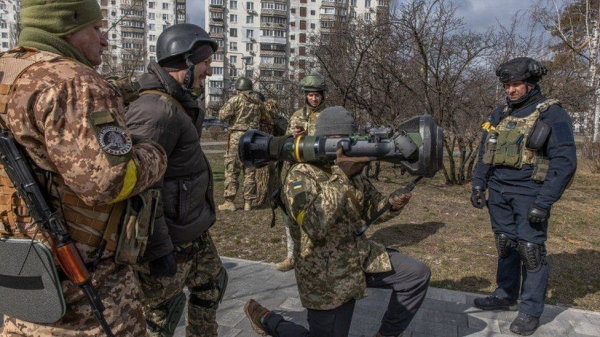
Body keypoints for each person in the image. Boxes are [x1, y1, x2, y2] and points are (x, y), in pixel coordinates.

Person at [0, 0, 168, 335]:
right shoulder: (75, 83)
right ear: (67, 26)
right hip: (85, 291)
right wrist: (153, 153)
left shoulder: (9, 70)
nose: (104, 39)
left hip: (19, 272)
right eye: (95, 28)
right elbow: (108, 182)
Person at [244, 106, 431, 337]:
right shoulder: (300, 174)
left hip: (357, 256)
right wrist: (342, 175)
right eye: (337, 139)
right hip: (324, 275)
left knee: (416, 274)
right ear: (323, 139)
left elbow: (372, 207)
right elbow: (316, 226)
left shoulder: (353, 171)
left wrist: (392, 204)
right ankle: (267, 320)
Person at [125, 23, 227, 336]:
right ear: (184, 63)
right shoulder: (156, 112)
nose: (208, 71)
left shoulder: (177, 104)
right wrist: (158, 249)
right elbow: (141, 187)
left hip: (190, 232)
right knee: (161, 316)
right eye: (205, 63)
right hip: (166, 238)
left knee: (212, 284)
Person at [471, 57, 577, 335]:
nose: (510, 90)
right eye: (507, 85)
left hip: (530, 192)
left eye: (515, 84)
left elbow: (565, 162)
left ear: (530, 85)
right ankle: (505, 294)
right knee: (505, 244)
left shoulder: (551, 114)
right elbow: (486, 151)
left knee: (531, 251)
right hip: (500, 191)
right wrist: (478, 184)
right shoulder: (500, 114)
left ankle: (530, 311)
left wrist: (544, 202)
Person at [274, 72, 329, 272]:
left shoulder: (329, 116)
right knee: (291, 215)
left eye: (317, 95)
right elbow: (287, 144)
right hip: (296, 170)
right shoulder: (297, 115)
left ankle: (318, 257)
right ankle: (292, 256)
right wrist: (292, 136)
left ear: (323, 95)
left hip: (320, 172)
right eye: (310, 95)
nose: (313, 98)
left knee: (319, 215)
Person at [218, 77, 265, 211]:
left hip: (236, 137)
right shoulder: (258, 101)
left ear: (238, 89)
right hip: (253, 138)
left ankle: (229, 201)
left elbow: (222, 116)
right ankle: (248, 202)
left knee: (232, 169)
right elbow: (266, 116)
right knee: (250, 170)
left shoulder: (236, 99)